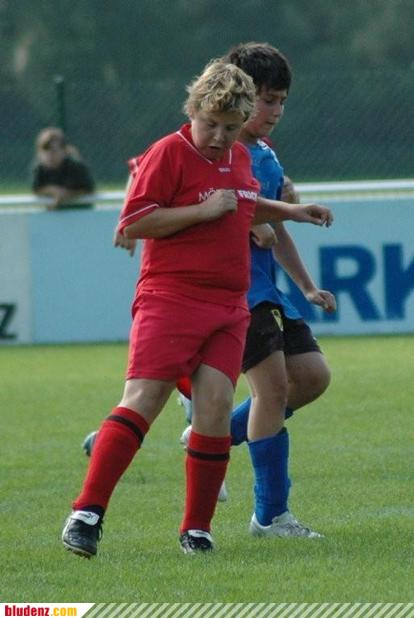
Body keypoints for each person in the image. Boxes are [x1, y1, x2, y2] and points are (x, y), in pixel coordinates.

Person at [61, 59, 333, 559]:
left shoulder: (241, 156)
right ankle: (86, 514)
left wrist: (291, 211)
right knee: (144, 399)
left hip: (229, 306)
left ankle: (197, 530)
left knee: (213, 412)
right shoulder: (169, 151)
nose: (219, 137)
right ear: (193, 111)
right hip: (171, 298)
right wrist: (204, 210)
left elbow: (243, 202)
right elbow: (134, 222)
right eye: (211, 124)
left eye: (230, 128)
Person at [180, 42, 336, 538]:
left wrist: (307, 286)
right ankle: (270, 516)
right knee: (272, 390)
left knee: (312, 376)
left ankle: (211, 433)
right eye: (267, 100)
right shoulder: (217, 152)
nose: (275, 111)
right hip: (237, 291)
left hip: (267, 288)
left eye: (281, 101)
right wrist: (253, 218)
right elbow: (216, 206)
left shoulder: (264, 153)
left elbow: (274, 224)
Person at [32, 127, 95, 210]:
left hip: (79, 211)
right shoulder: (39, 169)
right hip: (54, 214)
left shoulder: (76, 166)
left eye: (54, 150)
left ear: (64, 151)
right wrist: (52, 190)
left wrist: (66, 195)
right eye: (45, 149)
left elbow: (88, 189)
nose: (49, 154)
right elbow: (37, 189)